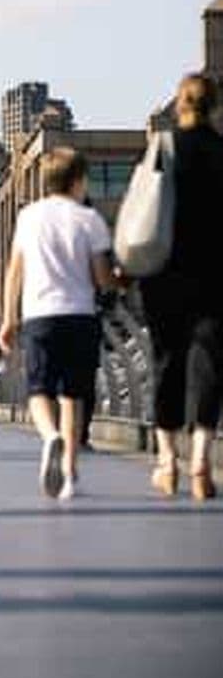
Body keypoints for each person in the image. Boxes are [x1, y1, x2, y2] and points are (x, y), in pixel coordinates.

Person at [0, 147, 114, 501]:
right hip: (80, 315)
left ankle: (49, 437)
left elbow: (15, 271)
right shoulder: (89, 219)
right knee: (73, 396)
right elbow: (101, 277)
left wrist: (8, 316)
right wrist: (115, 280)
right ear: (78, 181)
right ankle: (69, 473)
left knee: (38, 391)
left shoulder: (29, 217)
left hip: (39, 315)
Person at [138, 74, 223, 501]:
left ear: (179, 106)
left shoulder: (163, 149)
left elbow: (141, 209)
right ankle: (202, 459)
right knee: (210, 365)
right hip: (214, 274)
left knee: (166, 363)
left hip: (165, 271)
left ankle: (168, 461)